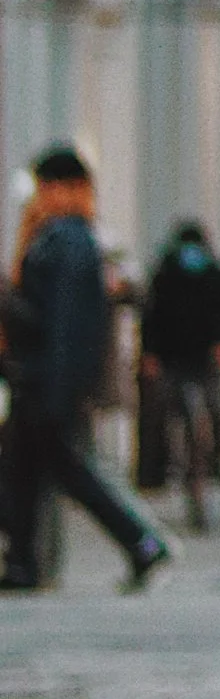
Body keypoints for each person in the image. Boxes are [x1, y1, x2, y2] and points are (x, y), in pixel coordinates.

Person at [1, 148, 172, 593]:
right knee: (24, 471)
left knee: (68, 472)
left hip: (46, 379)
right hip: (41, 377)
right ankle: (24, 562)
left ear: (64, 188)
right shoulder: (62, 238)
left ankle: (140, 542)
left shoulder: (69, 241)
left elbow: (65, 325)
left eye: (44, 187)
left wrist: (56, 388)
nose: (38, 198)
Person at [140, 220, 220, 525]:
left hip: (205, 358)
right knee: (163, 414)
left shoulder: (214, 275)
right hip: (174, 360)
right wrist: (151, 354)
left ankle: (215, 464)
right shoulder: (165, 275)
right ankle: (159, 470)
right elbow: (151, 316)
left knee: (215, 410)